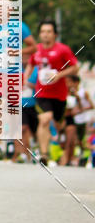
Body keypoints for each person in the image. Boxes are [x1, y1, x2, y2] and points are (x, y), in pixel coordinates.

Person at [0, 0, 36, 160]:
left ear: (11, 10)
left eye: (5, 7)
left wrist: (19, 52)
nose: (1, 10)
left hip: (13, 71)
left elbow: (34, 47)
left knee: (12, 110)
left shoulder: (20, 27)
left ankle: (13, 144)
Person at [27, 19, 78, 167]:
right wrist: (26, 78)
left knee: (58, 124)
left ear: (55, 34)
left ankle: (59, 137)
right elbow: (31, 63)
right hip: (42, 93)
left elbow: (75, 68)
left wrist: (59, 75)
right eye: (43, 32)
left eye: (49, 32)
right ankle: (43, 154)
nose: (46, 35)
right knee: (44, 119)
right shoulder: (36, 50)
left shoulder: (63, 49)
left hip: (60, 95)